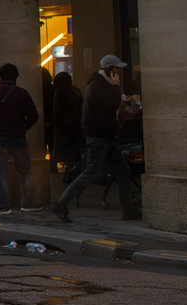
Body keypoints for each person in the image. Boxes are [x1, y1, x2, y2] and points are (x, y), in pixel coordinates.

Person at [53, 55, 141, 222]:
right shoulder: (96, 86)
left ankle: (128, 208)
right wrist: (116, 89)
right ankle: (61, 203)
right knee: (90, 173)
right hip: (99, 137)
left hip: (107, 136)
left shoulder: (102, 86)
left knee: (123, 170)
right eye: (116, 70)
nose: (119, 75)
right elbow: (110, 104)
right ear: (109, 70)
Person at [0, 62, 40, 214]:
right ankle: (28, 204)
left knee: (1, 172)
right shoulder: (22, 93)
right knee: (25, 171)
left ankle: (3, 205)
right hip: (18, 136)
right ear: (16, 76)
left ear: (0, 76)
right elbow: (33, 116)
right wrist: (22, 127)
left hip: (0, 137)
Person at [48, 70, 83, 180]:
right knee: (74, 151)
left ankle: (68, 173)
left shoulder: (59, 91)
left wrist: (52, 123)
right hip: (76, 124)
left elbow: (56, 110)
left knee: (65, 152)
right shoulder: (76, 90)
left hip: (63, 126)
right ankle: (73, 171)